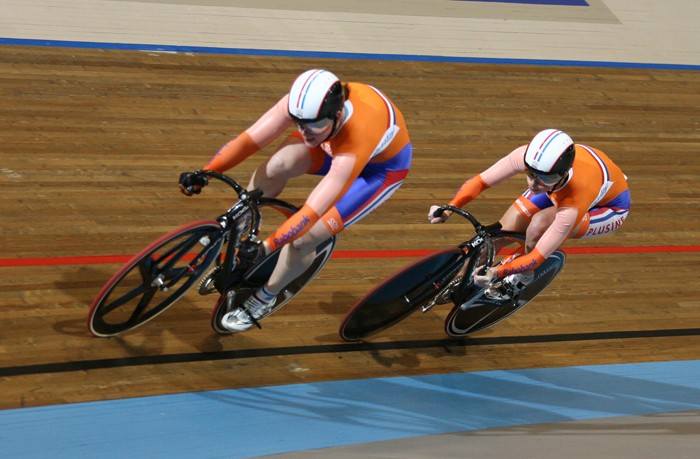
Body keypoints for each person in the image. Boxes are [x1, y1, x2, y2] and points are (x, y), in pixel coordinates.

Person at [179, 69, 412, 332]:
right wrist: (207, 171)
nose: (304, 132)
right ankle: (242, 221)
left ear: (337, 115)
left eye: (313, 125)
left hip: (376, 172)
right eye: (299, 124)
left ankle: (265, 297)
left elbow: (312, 210)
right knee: (277, 165)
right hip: (332, 143)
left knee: (305, 238)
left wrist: (266, 248)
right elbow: (248, 141)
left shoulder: (358, 134)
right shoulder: (306, 108)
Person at [428, 129, 630, 300]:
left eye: (544, 177)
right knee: (499, 234)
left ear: (563, 173)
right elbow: (481, 182)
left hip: (608, 208)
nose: (533, 183)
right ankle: (447, 286)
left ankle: (523, 278)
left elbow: (537, 256)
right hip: (561, 189)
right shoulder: (529, 158)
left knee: (538, 226)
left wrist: (496, 272)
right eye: (530, 173)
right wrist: (449, 207)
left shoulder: (575, 199)